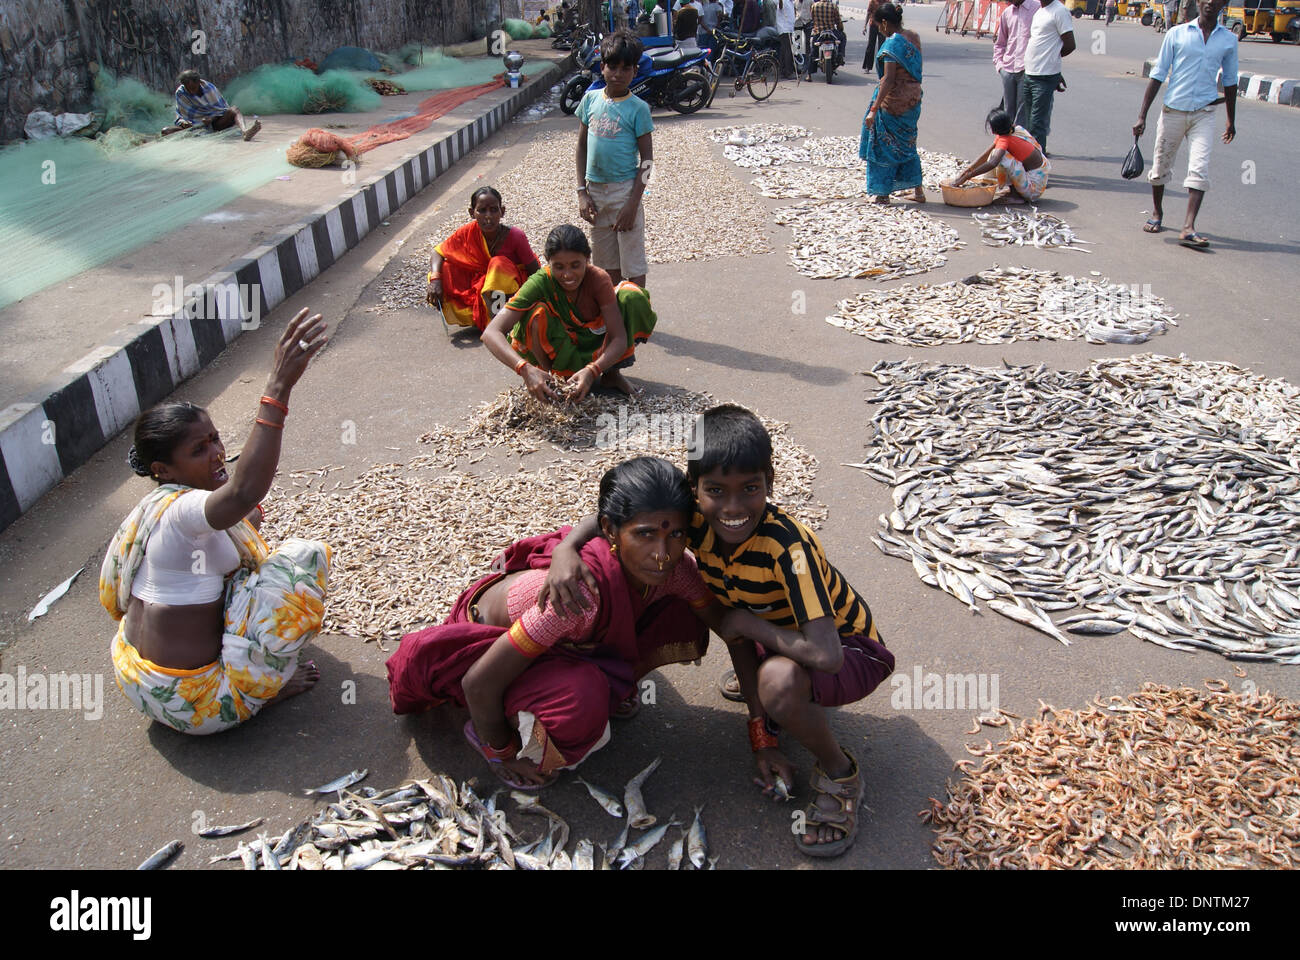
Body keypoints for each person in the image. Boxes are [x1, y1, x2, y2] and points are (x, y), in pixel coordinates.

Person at [539, 405, 895, 858]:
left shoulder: (791, 550)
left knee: (778, 686)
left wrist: (749, 625)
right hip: (786, 635)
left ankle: (840, 773)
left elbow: (828, 657)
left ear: (771, 480)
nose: (732, 508)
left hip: (851, 649)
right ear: (694, 491)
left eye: (750, 489)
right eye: (715, 492)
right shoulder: (695, 524)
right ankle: (775, 685)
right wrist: (567, 547)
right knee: (700, 607)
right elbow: (618, 510)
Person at [386, 457, 769, 789]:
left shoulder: (678, 570)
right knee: (581, 704)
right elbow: (478, 682)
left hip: (563, 641)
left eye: (677, 534)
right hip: (489, 646)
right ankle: (490, 728)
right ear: (610, 530)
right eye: (646, 535)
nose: (661, 554)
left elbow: (732, 631)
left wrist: (761, 733)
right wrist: (501, 751)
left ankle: (601, 680)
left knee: (684, 609)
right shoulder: (577, 597)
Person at [100, 310, 331, 735]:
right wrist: (278, 387)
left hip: (137, 678)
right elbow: (244, 492)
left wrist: (245, 520)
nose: (217, 454)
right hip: (199, 703)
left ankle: (239, 670)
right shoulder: (183, 515)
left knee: (248, 526)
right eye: (198, 450)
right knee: (303, 558)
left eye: (215, 439)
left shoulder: (156, 509)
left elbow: (242, 511)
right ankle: (262, 690)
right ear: (163, 470)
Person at [482, 224, 656, 399]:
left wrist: (593, 370)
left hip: (596, 343)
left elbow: (618, 338)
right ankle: (551, 378)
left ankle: (611, 374)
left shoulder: (598, 279)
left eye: (575, 265)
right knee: (536, 313)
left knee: (631, 296)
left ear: (587, 259)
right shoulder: (541, 281)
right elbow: (491, 332)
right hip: (561, 347)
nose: (568, 275)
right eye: (559, 267)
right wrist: (524, 368)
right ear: (548, 261)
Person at [1133, 0, 1236, 248]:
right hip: (1173, 111)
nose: (1211, 3)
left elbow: (1231, 81)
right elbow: (1158, 75)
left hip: (1204, 113)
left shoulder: (1228, 40)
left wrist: (1231, 120)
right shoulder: (1176, 34)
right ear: (1198, 2)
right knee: (1160, 167)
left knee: (1200, 169)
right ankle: (1157, 213)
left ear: (1224, 4)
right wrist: (1142, 115)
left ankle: (1188, 227)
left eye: (1217, 0)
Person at [575, 30, 654, 290]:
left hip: (624, 192)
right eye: (613, 66)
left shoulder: (638, 109)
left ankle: (637, 320)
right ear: (602, 67)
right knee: (605, 265)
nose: (618, 74)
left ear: (635, 71)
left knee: (632, 263)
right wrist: (581, 193)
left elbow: (647, 161)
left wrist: (633, 203)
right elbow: (582, 146)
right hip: (595, 193)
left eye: (626, 68)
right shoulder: (590, 100)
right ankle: (614, 320)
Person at [426, 187, 541, 332]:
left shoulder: (516, 236)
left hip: (513, 291)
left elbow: (536, 272)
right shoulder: (468, 232)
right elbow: (438, 252)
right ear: (472, 213)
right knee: (444, 269)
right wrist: (436, 280)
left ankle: (501, 321)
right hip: (483, 288)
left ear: (502, 211)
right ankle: (483, 316)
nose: (488, 216)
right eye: (482, 211)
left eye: (494, 210)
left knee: (498, 264)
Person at [860, 3, 925, 204]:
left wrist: (873, 109)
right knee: (908, 144)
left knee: (882, 144)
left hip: (894, 103)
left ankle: (882, 193)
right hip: (913, 99)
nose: (880, 29)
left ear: (886, 23)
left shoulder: (890, 45)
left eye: (879, 25)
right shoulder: (913, 37)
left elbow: (888, 80)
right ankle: (918, 191)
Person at [950, 107, 1050, 203]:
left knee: (1001, 157)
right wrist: (968, 170)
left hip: (1034, 188)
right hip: (1040, 178)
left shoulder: (1005, 140)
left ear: (994, 129)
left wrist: (967, 177)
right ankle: (1015, 190)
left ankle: (1016, 196)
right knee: (996, 153)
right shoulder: (1013, 129)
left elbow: (992, 163)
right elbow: (987, 153)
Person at [1021, 0, 1075, 157]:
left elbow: (1070, 44)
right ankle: (1033, 163)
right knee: (1029, 125)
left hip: (1044, 77)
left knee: (1037, 125)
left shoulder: (1059, 11)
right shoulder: (1040, 11)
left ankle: (1038, 170)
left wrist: (1052, 66)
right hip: (1030, 73)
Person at [162, 69, 261, 141]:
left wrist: (211, 119)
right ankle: (195, 135)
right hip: (193, 127)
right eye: (188, 88)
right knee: (166, 131)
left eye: (194, 88)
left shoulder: (208, 88)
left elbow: (221, 110)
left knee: (234, 110)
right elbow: (180, 113)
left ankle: (245, 132)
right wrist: (183, 122)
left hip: (215, 124)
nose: (191, 91)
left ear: (199, 83)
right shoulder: (181, 92)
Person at [993, 0, 1040, 130]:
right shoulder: (1007, 13)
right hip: (1008, 69)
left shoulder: (1037, 9)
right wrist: (1000, 66)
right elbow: (1000, 43)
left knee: (1023, 112)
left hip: (1026, 68)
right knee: (1008, 110)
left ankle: (1020, 144)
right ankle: (1008, 142)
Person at [809, 0, 846, 64]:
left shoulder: (814, 6)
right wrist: (840, 29)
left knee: (813, 50)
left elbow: (812, 18)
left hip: (818, 32)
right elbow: (838, 21)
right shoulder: (833, 6)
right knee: (843, 36)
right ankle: (840, 54)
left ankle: (810, 70)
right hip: (831, 32)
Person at [775, 0, 798, 79]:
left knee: (784, 50)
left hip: (788, 29)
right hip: (785, 29)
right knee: (787, 50)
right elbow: (780, 7)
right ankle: (788, 72)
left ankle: (782, 71)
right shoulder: (784, 2)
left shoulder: (790, 2)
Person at [862, 0, 882, 73]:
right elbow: (868, 13)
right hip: (873, 25)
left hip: (883, 27)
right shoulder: (873, 2)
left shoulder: (887, 2)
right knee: (870, 46)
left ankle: (881, 67)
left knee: (882, 47)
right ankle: (867, 66)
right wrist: (865, 26)